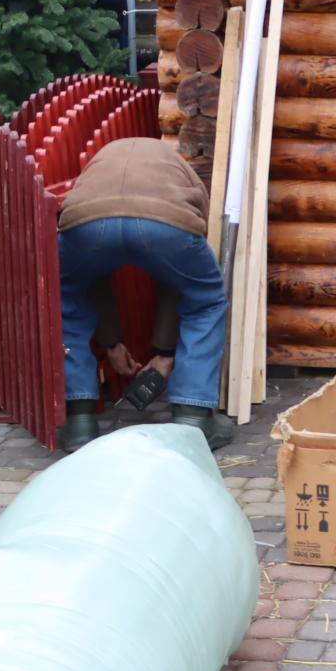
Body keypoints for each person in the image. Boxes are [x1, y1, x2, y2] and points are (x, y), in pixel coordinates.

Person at [56, 137, 232, 452]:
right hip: (166, 223)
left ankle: (78, 420)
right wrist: (165, 353)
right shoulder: (182, 170)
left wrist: (111, 344)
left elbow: (95, 279)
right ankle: (194, 419)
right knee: (205, 299)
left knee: (69, 295)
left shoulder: (99, 161)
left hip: (85, 222)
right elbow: (178, 282)